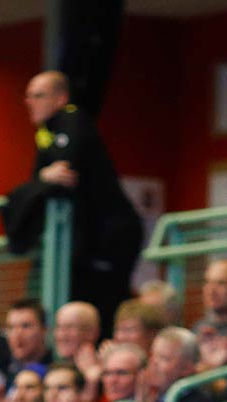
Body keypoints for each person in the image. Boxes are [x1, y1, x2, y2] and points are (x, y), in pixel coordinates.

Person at [22, 70, 143, 330]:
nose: (30, 102)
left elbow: (66, 171)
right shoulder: (46, 132)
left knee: (101, 308)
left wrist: (45, 177)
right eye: (28, 96)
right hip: (89, 241)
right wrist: (44, 177)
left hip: (109, 238)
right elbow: (45, 177)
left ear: (61, 98)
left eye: (39, 95)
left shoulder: (72, 119)